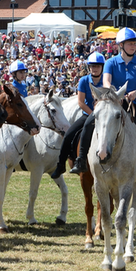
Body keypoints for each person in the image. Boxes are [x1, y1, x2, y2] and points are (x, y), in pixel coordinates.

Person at [69, 27, 136, 185]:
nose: (133, 46)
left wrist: (135, 93)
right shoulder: (110, 63)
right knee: (89, 124)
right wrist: (117, 95)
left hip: (133, 104)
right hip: (112, 103)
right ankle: (81, 160)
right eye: (130, 43)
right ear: (120, 45)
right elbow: (106, 83)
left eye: (135, 43)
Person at [50, 51, 105, 179]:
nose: (94, 68)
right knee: (69, 134)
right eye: (92, 66)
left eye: (97, 66)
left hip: (105, 115)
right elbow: (81, 102)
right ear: (88, 67)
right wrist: (94, 115)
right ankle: (64, 164)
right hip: (89, 114)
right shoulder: (84, 80)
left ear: (102, 67)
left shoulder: (107, 80)